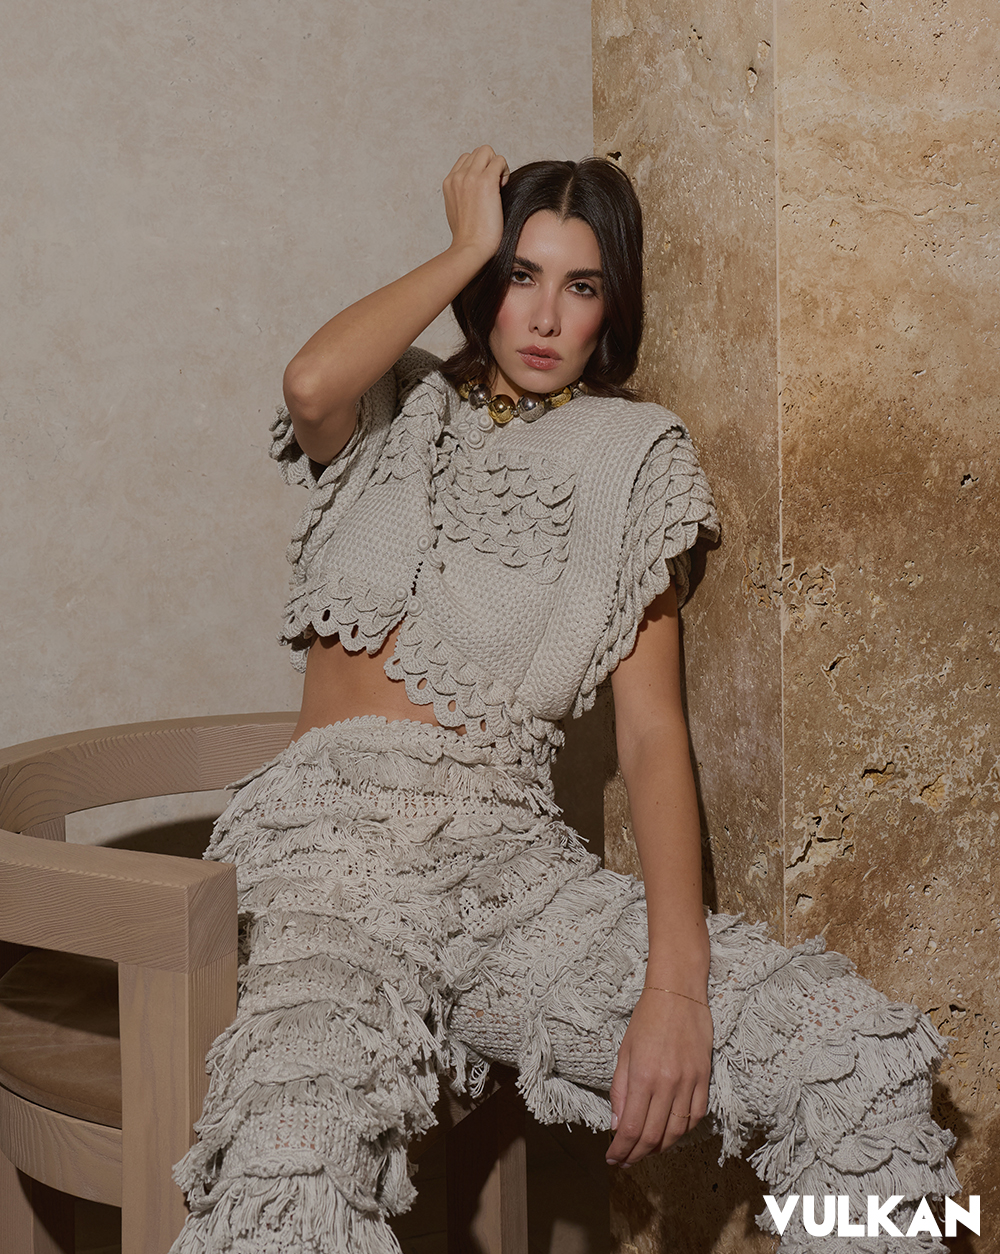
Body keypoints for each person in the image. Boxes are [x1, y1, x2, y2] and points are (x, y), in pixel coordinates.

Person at [170, 147, 958, 1252]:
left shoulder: (633, 458)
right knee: (290, 1183)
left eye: (579, 286)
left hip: (508, 879)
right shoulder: (393, 404)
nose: (543, 317)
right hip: (328, 874)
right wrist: (464, 245)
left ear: (611, 307)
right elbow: (309, 384)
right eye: (519, 277)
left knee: (854, 1057)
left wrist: (675, 989)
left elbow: (651, 738)